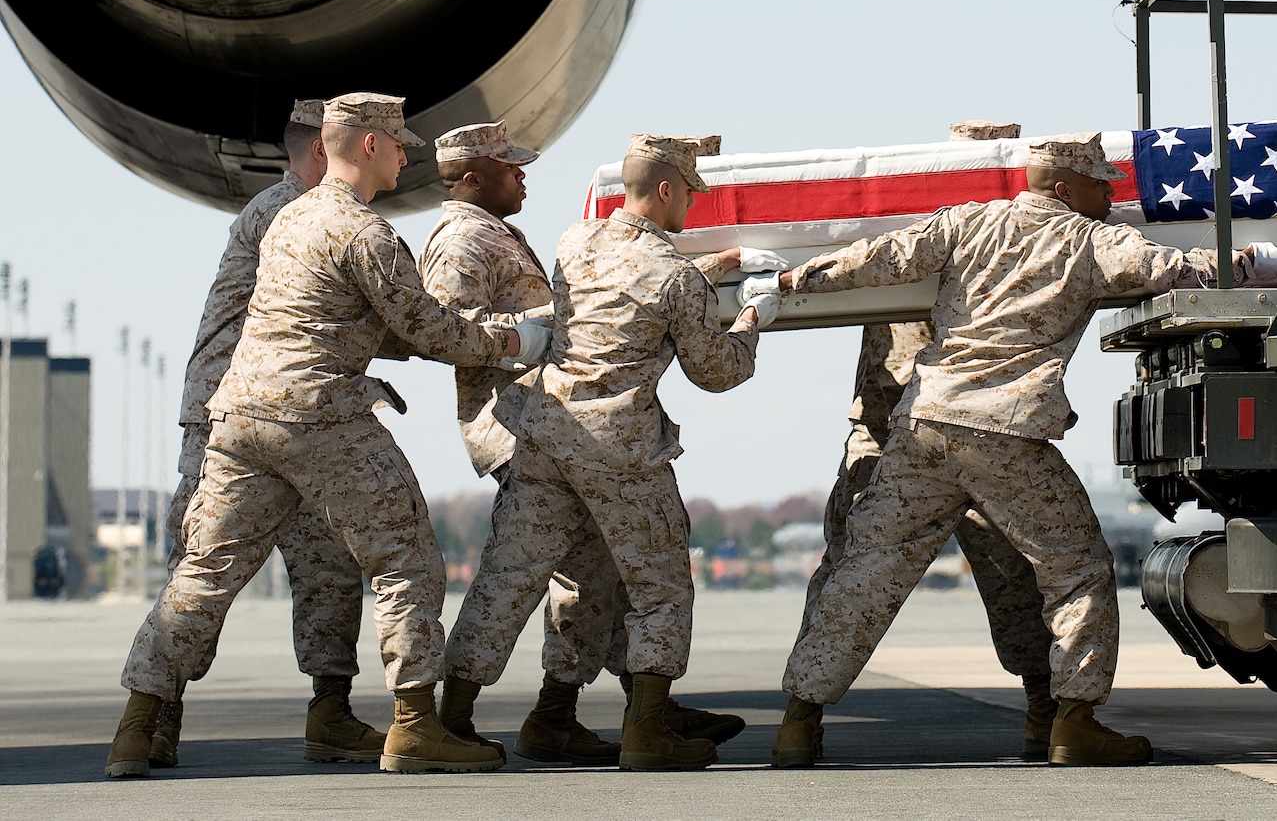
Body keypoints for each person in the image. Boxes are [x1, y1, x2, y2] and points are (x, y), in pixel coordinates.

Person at [754, 133, 1277, 769]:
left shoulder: (967, 222)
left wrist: (789, 279)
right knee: (1078, 569)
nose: (1112, 195)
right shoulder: (1089, 241)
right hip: (1006, 433)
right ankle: (1075, 721)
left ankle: (798, 723)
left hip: (923, 426)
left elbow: (879, 258)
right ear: (1064, 187)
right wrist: (1250, 260)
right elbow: (1173, 269)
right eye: (1102, 184)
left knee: (865, 571)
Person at [106, 94, 543, 779]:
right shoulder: (363, 232)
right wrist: (515, 338)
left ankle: (136, 726)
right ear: (367, 146)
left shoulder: (291, 218)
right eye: (398, 143)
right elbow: (428, 330)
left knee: (205, 571)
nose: (406, 155)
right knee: (405, 558)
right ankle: (416, 725)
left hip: (241, 416)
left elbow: (333, 314)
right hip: (317, 413)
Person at [441, 134, 778, 772]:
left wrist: (707, 273)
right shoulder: (673, 277)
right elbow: (716, 372)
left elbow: (615, 298)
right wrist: (754, 317)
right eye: (689, 198)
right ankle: (649, 731)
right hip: (619, 450)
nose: (690, 213)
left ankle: (448, 720)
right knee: (660, 586)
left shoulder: (577, 242)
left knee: (508, 580)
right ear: (669, 189)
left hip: (544, 436)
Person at [798, 122, 1060, 758]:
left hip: (978, 432)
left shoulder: (1013, 241)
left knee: (1018, 572)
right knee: (849, 575)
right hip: (892, 433)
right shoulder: (917, 228)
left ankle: (1043, 706)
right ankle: (800, 718)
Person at [156, 100, 380, 770]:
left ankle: (329, 712)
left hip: (284, 415)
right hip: (234, 415)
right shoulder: (290, 215)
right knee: (205, 566)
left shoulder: (299, 215)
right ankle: (155, 711)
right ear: (322, 154)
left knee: (330, 565)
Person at [417, 121, 624, 764]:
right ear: (475, 177)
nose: (523, 176)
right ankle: (451, 719)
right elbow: (443, 331)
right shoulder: (462, 240)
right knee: (514, 575)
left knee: (591, 571)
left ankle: (556, 713)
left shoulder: (493, 232)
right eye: (512, 168)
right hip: (520, 432)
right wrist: (531, 330)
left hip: (551, 430)